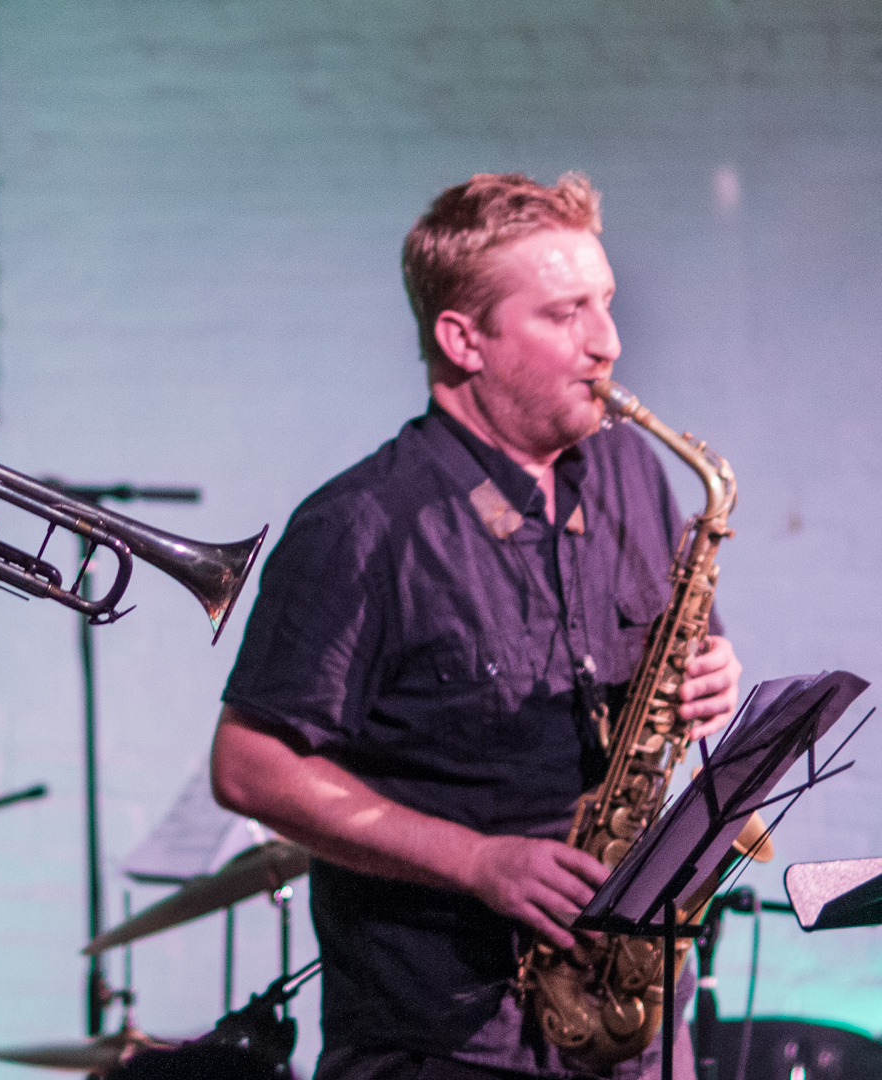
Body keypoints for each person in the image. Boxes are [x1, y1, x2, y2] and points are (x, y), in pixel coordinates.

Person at [210, 173, 742, 1080]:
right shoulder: (362, 525)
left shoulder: (632, 474)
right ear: (464, 338)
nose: (607, 343)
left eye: (605, 305)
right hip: (446, 1037)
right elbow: (249, 765)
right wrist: (476, 861)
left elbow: (683, 657)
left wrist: (714, 676)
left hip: (636, 1016)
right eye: (564, 314)